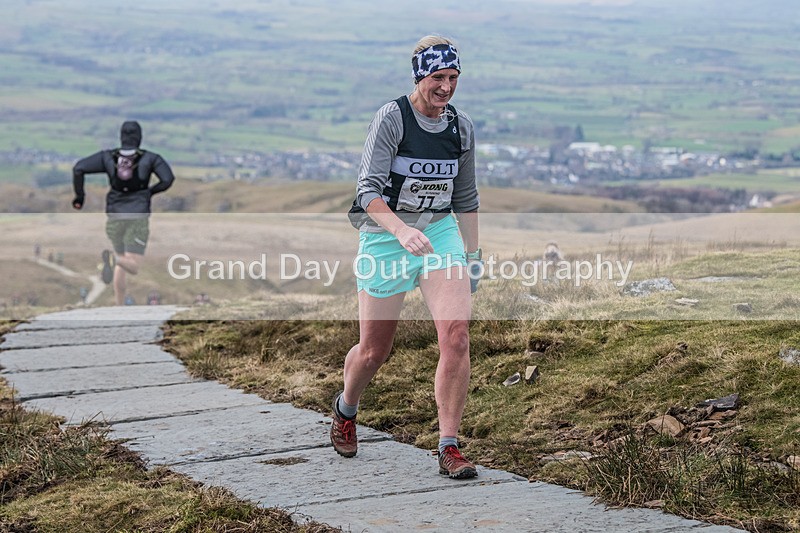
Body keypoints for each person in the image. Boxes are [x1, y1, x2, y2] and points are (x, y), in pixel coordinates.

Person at [332, 35, 481, 479]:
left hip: (440, 234)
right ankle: (346, 408)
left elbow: (467, 197)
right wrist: (401, 230)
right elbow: (368, 191)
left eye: (453, 78)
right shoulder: (392, 118)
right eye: (438, 77)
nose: (446, 87)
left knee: (456, 336)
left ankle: (449, 446)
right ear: (420, 76)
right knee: (374, 351)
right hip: (385, 237)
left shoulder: (461, 127)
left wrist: (473, 255)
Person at [72, 121, 175, 305]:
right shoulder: (151, 158)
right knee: (132, 265)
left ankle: (119, 306)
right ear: (140, 137)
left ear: (121, 137)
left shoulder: (108, 157)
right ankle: (114, 258)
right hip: (137, 216)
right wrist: (149, 192)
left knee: (123, 261)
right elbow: (168, 179)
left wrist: (80, 197)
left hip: (114, 215)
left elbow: (78, 168)